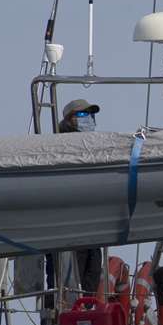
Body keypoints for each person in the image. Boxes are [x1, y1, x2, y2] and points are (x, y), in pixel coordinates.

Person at [52, 98, 103, 300]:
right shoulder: (58, 145)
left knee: (93, 269)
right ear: (69, 119)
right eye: (82, 115)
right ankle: (61, 309)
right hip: (69, 223)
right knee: (71, 273)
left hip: (92, 220)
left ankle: (87, 306)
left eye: (90, 115)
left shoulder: (94, 147)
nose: (87, 119)